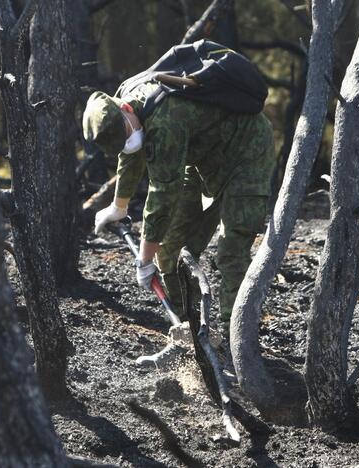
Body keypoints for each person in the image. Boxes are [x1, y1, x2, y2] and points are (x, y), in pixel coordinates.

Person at [82, 77, 276, 324]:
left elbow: (162, 195)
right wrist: (118, 207)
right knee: (168, 248)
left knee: (231, 251)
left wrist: (143, 259)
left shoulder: (164, 120)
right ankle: (187, 330)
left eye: (126, 134)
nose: (128, 141)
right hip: (200, 157)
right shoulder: (128, 103)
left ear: (126, 108)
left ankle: (234, 341)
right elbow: (132, 155)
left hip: (246, 152)